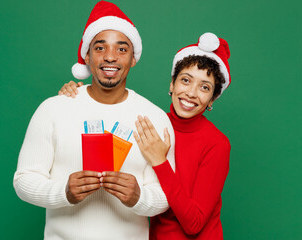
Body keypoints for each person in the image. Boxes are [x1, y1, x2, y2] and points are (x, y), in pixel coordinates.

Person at [13, 1, 175, 240]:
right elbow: (23, 181)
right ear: (87, 56)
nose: (110, 57)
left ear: (133, 59)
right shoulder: (53, 109)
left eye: (122, 49)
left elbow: (166, 195)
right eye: (100, 48)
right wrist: (63, 192)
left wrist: (139, 197)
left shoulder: (154, 118)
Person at [59, 32, 231, 239]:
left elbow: (193, 223)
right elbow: (107, 118)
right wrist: (78, 95)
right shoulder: (152, 123)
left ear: (212, 99)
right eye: (185, 80)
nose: (192, 93)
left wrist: (160, 161)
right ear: (172, 84)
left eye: (205, 87)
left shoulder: (216, 143)